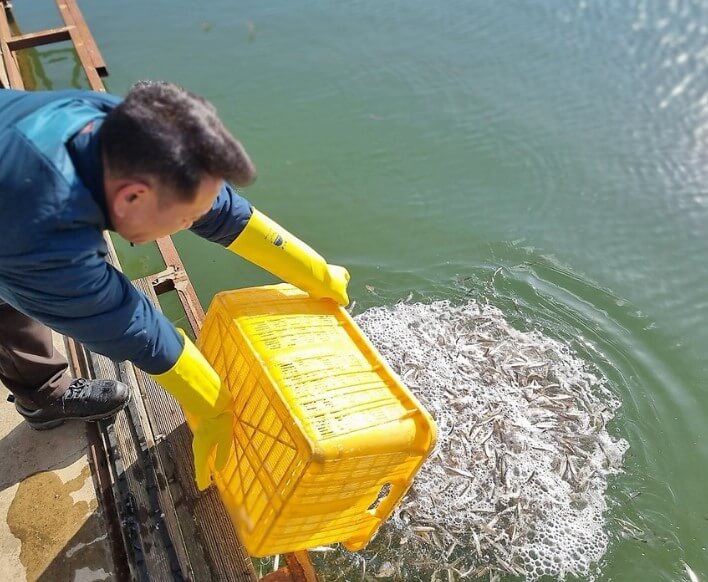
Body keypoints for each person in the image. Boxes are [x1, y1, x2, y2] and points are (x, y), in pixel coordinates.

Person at [0, 81, 349, 489]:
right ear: (132, 197)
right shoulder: (42, 231)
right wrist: (214, 404)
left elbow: (214, 207)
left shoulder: (122, 128)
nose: (190, 225)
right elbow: (126, 324)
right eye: (184, 220)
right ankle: (44, 395)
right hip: (14, 215)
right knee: (18, 289)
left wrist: (314, 271)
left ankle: (38, 382)